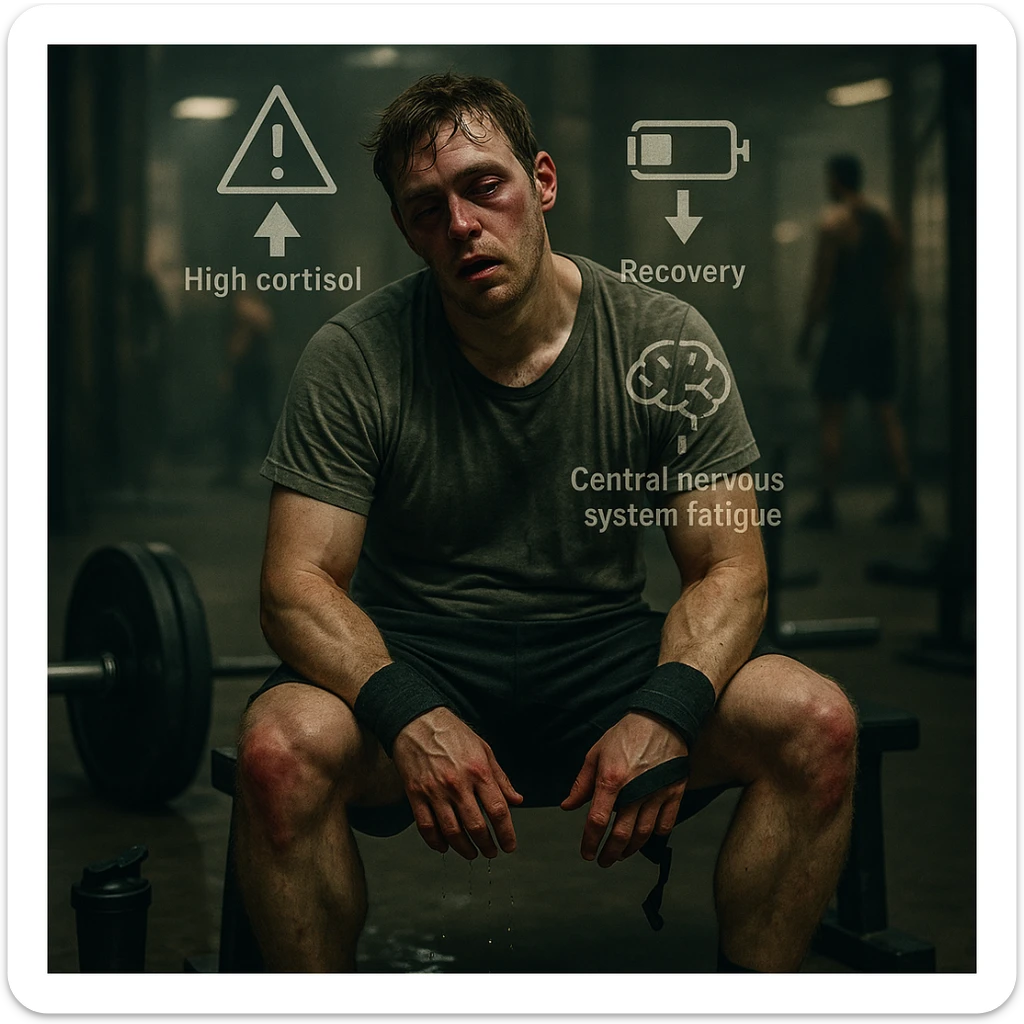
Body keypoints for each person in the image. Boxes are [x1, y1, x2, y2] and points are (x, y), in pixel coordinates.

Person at [233, 72, 858, 973]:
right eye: (425, 209)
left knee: (816, 721)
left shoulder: (664, 341)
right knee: (279, 749)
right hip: (416, 654)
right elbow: (294, 587)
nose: (460, 226)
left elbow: (732, 568)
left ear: (543, 182)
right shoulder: (354, 355)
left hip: (602, 654)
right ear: (408, 230)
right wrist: (408, 713)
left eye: (484, 186)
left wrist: (669, 709)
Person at [797, 153, 920, 527]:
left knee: (832, 415)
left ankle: (826, 502)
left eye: (828, 178)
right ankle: (906, 494)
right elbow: (896, 283)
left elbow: (823, 282)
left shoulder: (835, 224)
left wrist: (807, 331)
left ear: (836, 180)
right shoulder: (887, 224)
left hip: (845, 330)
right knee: (886, 412)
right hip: (879, 330)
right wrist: (890, 319)